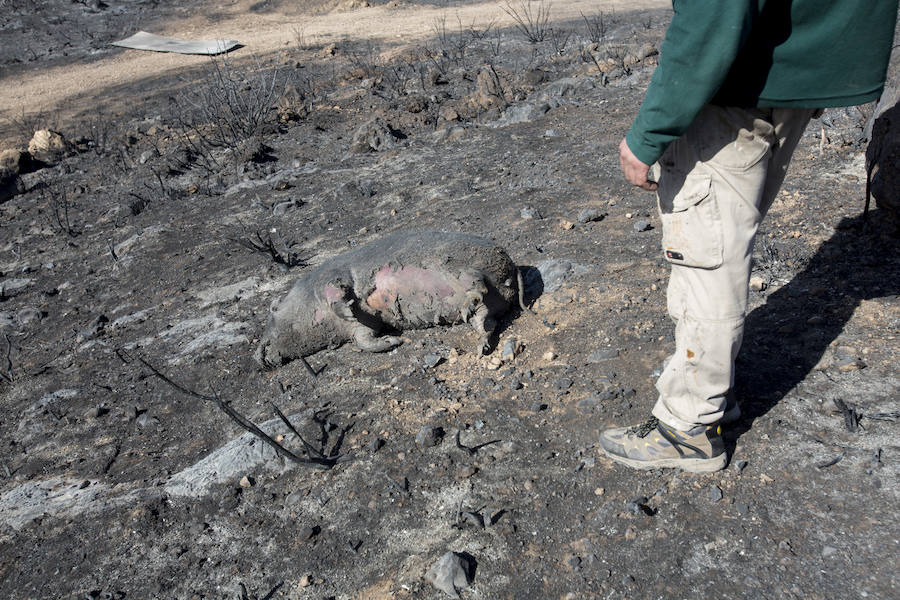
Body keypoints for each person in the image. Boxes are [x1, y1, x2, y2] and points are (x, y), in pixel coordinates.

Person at [599, 1, 900, 472]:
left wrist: (648, 131)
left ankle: (690, 427)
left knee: (707, 258)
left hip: (731, 95)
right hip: (787, 80)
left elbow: (713, 13)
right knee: (726, 243)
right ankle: (713, 396)